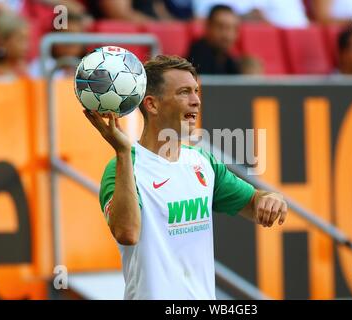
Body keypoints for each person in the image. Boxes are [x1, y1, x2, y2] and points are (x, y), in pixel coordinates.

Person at [83, 55, 288, 299]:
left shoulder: (201, 162)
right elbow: (127, 233)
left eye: (196, 91)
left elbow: (255, 203)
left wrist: (271, 198)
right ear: (152, 105)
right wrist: (124, 152)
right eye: (184, 92)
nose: (196, 101)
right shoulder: (122, 166)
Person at [187, 4, 240, 74]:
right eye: (220, 27)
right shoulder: (196, 57)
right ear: (208, 27)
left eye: (233, 29)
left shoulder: (229, 60)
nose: (227, 35)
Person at [0, 12, 29, 78]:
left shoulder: (23, 71)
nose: (26, 47)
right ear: (1, 42)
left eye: (26, 40)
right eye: (20, 40)